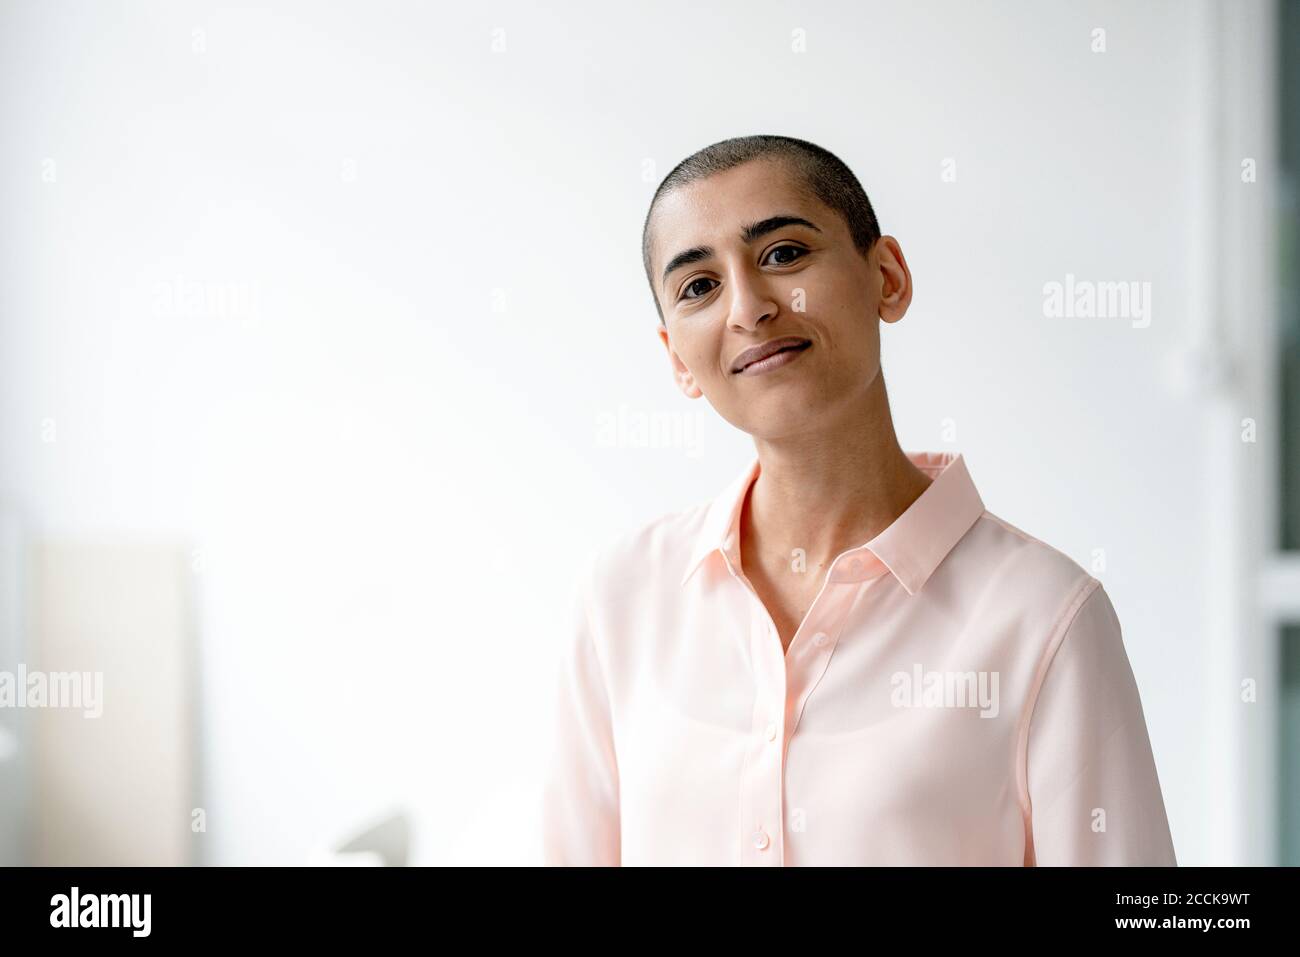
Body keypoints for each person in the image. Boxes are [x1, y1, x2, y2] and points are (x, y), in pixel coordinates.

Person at [541, 134, 1176, 866]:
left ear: (888, 277)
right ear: (676, 358)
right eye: (699, 286)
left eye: (783, 254)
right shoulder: (621, 598)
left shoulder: (1044, 615)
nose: (748, 308)